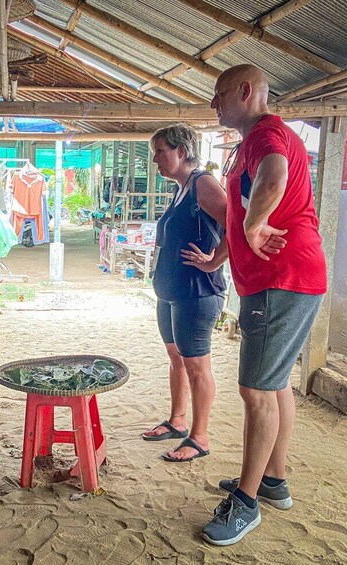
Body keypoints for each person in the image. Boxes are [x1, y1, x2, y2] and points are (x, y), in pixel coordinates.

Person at [197, 64, 327, 545]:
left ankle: (246, 505)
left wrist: (253, 228)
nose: (214, 103)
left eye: (219, 94)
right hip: (284, 279)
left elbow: (273, 179)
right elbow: (246, 206)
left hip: (281, 278)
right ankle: (273, 480)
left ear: (246, 92)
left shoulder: (265, 135)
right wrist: (225, 251)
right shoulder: (253, 141)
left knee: (255, 391)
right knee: (274, 387)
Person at [140, 124, 229, 463]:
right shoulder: (181, 188)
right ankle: (178, 420)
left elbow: (238, 224)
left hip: (197, 292)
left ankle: (200, 437)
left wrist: (213, 262)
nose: (155, 160)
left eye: (160, 151)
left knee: (197, 366)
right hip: (171, 291)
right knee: (176, 358)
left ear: (181, 151)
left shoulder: (202, 183)